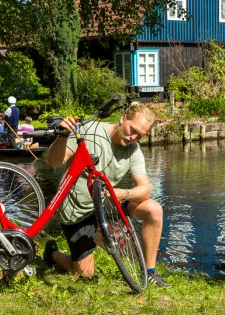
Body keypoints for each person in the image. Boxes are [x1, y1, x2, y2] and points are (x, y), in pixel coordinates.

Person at [43, 102, 169, 287]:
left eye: (140, 136)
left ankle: (150, 272)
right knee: (85, 275)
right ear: (123, 118)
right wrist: (62, 138)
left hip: (109, 204)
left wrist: (123, 193)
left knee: (153, 209)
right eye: (132, 130)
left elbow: (145, 190)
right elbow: (53, 162)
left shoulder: (133, 150)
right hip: (79, 210)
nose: (133, 137)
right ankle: (52, 253)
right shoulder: (89, 131)